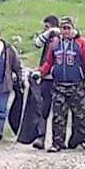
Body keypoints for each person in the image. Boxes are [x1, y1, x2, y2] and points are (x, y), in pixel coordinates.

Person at [36, 17, 85, 152]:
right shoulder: (55, 44)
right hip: (59, 85)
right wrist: (41, 73)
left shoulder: (82, 43)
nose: (66, 31)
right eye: (63, 28)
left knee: (80, 116)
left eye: (68, 28)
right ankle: (57, 143)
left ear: (73, 28)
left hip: (76, 85)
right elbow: (49, 62)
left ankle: (84, 141)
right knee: (58, 116)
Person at [31, 15, 60, 149]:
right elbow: (37, 44)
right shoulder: (46, 38)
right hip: (46, 77)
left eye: (47, 27)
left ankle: (58, 141)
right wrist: (47, 34)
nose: (45, 29)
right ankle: (40, 137)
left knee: (59, 111)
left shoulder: (62, 38)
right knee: (43, 108)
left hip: (60, 79)